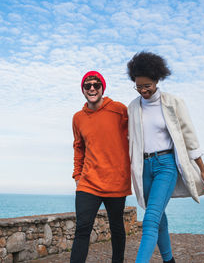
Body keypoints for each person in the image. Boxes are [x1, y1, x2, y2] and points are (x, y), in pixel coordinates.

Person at [126, 52, 204, 263]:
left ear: (157, 80)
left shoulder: (173, 103)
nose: (143, 90)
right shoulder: (132, 107)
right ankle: (169, 260)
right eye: (139, 86)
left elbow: (189, 137)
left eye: (147, 85)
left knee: (149, 221)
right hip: (143, 167)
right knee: (158, 217)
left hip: (166, 166)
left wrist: (202, 169)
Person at [70, 71, 132, 263]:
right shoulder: (78, 118)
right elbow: (78, 148)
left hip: (116, 182)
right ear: (83, 90)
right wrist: (77, 175)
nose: (92, 88)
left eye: (96, 85)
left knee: (117, 228)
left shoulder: (119, 110)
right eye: (87, 85)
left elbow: (138, 134)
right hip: (88, 183)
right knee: (82, 229)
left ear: (102, 88)